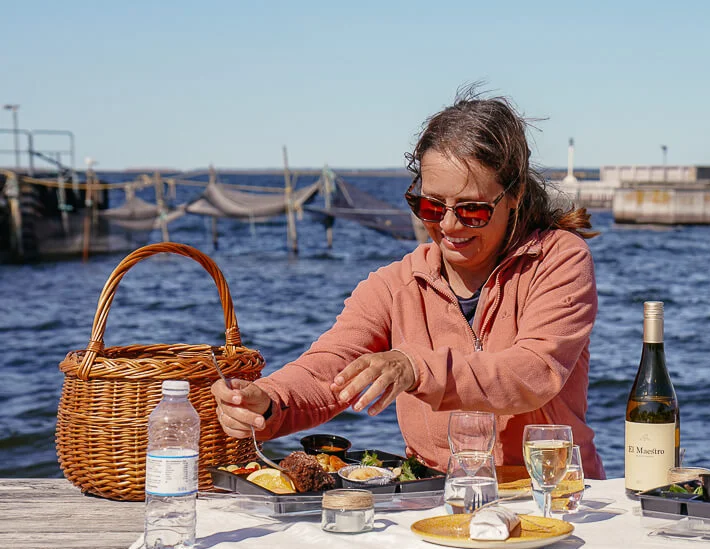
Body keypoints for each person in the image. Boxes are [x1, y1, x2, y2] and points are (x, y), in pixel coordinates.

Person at [212, 89, 606, 479]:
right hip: (439, 498)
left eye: (472, 210)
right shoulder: (394, 286)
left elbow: (533, 373)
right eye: (431, 206)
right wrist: (268, 402)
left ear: (515, 195)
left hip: (551, 494)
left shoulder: (559, 259)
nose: (449, 225)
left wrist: (416, 367)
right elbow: (328, 370)